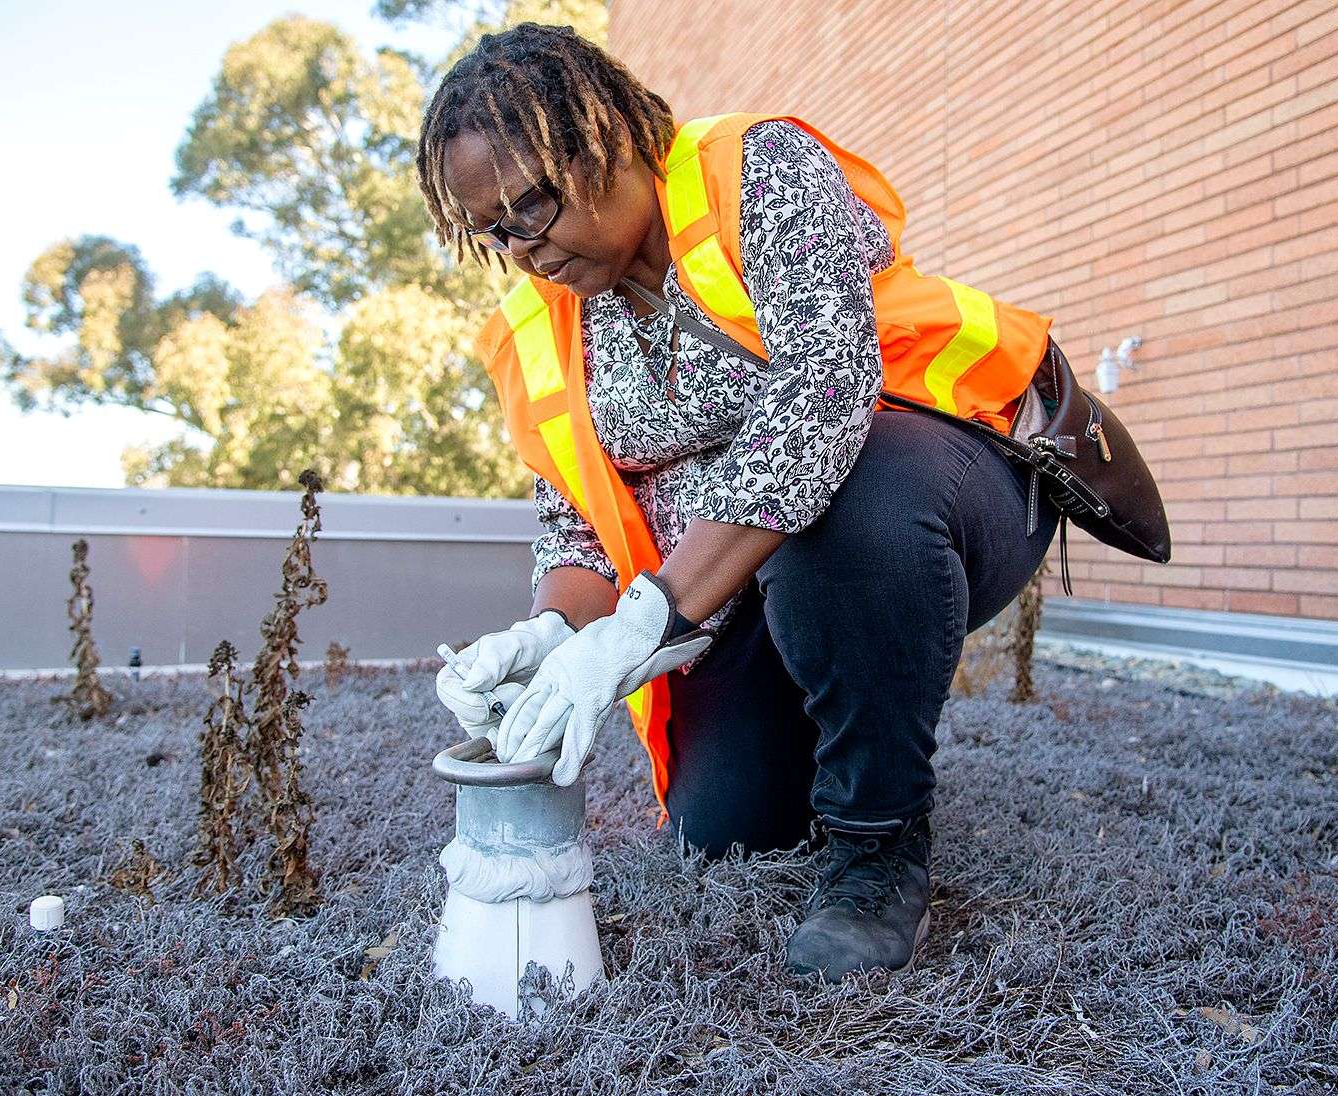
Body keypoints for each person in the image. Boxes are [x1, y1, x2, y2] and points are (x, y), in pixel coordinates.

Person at [421, 22, 1060, 981]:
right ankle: (837, 726)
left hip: (943, 486)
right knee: (726, 832)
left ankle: (877, 849)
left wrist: (649, 616)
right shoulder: (544, 329)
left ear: (610, 138)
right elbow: (580, 527)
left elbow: (824, 397)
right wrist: (550, 633)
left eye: (533, 204)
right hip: (745, 580)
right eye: (495, 231)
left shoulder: (757, 173)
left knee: (844, 502)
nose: (524, 251)